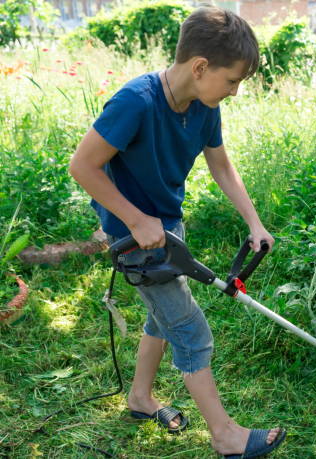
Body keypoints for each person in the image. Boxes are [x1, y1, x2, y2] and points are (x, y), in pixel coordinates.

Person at [69, 6, 286, 458]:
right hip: (134, 239)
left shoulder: (204, 106)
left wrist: (254, 221)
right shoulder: (136, 102)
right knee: (190, 328)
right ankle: (225, 436)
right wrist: (134, 219)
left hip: (168, 229)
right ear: (201, 67)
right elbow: (82, 166)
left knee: (160, 318)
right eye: (233, 81)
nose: (235, 91)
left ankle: (140, 399)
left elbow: (221, 165)